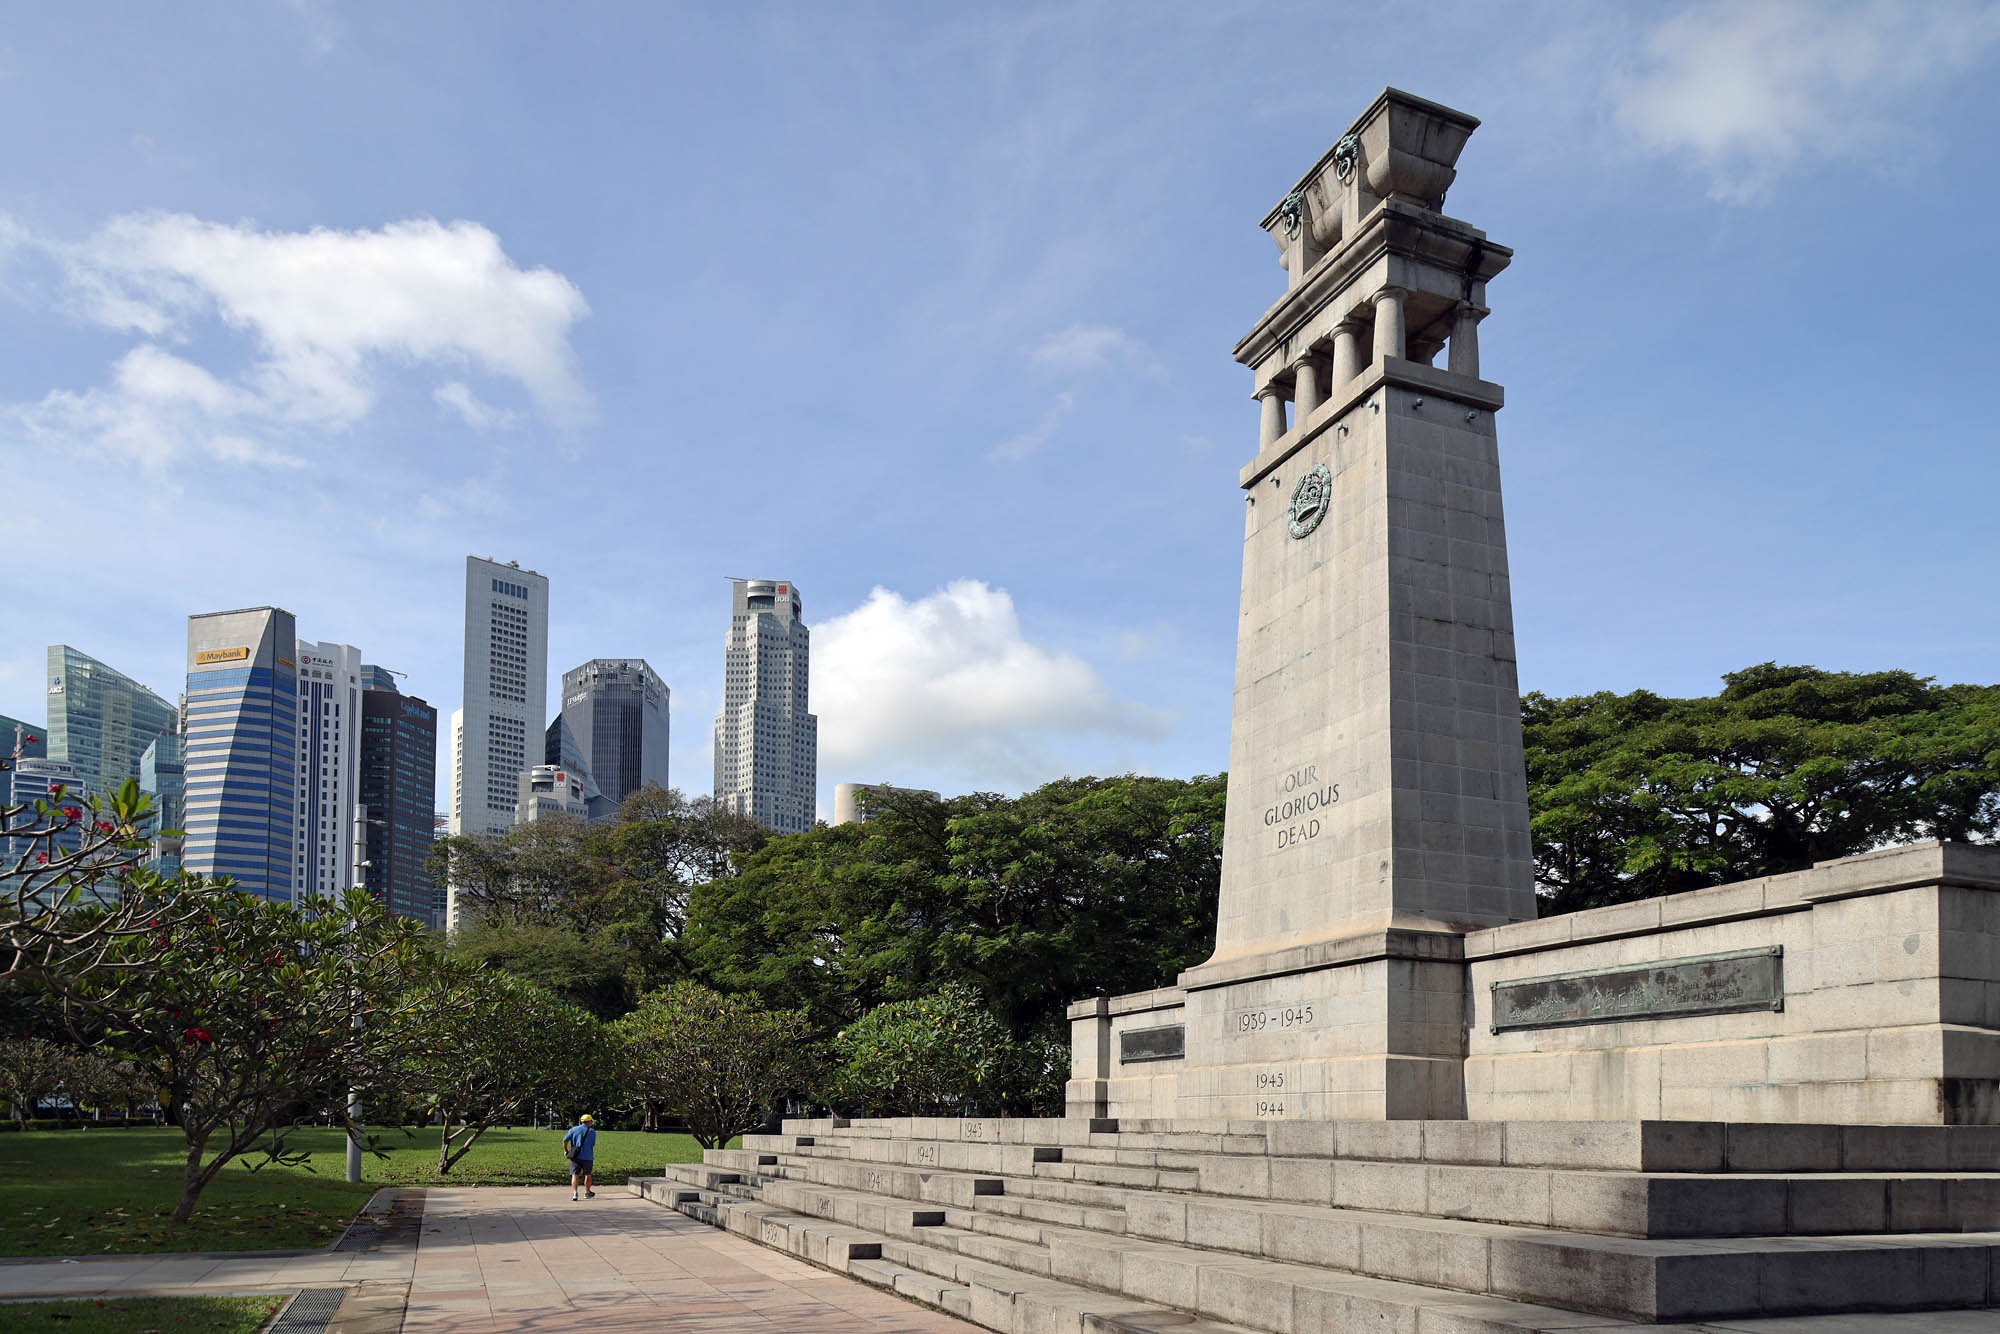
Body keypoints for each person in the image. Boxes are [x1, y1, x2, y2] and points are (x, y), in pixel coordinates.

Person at [563, 1113, 597, 1200]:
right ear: (588, 1122)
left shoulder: (573, 1129)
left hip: (575, 1156)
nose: (591, 1123)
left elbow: (565, 1140)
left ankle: (575, 1193)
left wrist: (566, 1150)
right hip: (588, 1156)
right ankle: (587, 1192)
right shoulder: (592, 1131)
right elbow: (592, 1144)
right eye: (591, 1121)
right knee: (587, 1175)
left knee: (575, 1175)